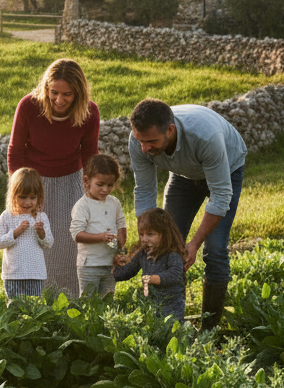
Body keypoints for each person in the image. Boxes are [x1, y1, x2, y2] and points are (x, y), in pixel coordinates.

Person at [128, 98, 247, 329]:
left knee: (215, 249)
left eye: (151, 141)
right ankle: (170, 324)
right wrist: (147, 236)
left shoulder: (205, 137)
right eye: (140, 141)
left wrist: (194, 243)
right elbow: (144, 191)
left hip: (227, 168)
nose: (144, 149)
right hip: (183, 175)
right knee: (167, 246)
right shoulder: (138, 140)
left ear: (170, 131)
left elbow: (221, 196)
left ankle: (208, 331)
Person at [7, 58, 100, 297]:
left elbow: (90, 154)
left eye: (67, 94)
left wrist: (92, 194)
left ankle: (69, 302)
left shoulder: (90, 113)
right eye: (54, 92)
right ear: (46, 88)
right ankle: (32, 300)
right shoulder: (29, 106)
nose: (59, 100)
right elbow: (15, 151)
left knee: (69, 247)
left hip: (71, 182)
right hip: (34, 185)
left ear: (78, 93)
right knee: (33, 243)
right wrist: (20, 193)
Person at [113, 207, 187, 321]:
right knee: (153, 329)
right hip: (151, 303)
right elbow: (129, 270)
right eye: (141, 234)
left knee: (172, 332)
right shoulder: (143, 254)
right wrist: (115, 268)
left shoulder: (172, 254)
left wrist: (154, 278)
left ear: (164, 234)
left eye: (150, 234)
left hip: (172, 305)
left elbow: (175, 275)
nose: (144, 239)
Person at [69, 154, 126, 297]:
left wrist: (120, 244)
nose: (105, 190)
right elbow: (77, 234)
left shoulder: (114, 203)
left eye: (110, 185)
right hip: (89, 264)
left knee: (107, 299)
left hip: (110, 263)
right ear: (86, 181)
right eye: (100, 184)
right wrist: (100, 237)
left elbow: (121, 225)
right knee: (89, 302)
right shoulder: (83, 206)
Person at [0, 168, 53, 300]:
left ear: (39, 196)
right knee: (15, 307)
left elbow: (49, 244)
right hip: (13, 274)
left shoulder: (41, 217)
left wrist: (41, 233)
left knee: (34, 307)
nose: (28, 202)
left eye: (33, 198)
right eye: (22, 197)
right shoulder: (7, 216)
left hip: (35, 273)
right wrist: (16, 232)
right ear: (13, 195)